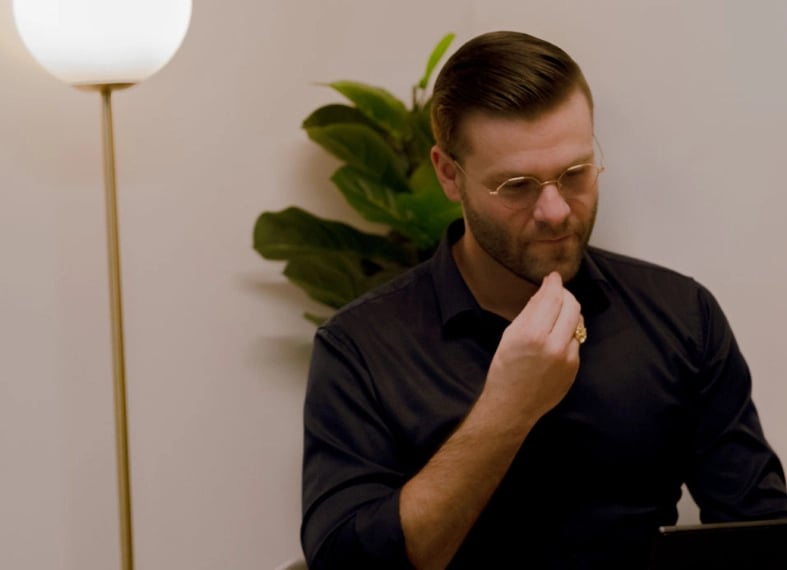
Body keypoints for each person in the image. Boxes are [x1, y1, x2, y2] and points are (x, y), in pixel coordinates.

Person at [299, 30, 787, 569]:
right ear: (448, 175)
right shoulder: (360, 348)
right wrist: (508, 408)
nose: (555, 210)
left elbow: (759, 533)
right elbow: (346, 564)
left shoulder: (681, 315)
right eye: (517, 185)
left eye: (575, 174)